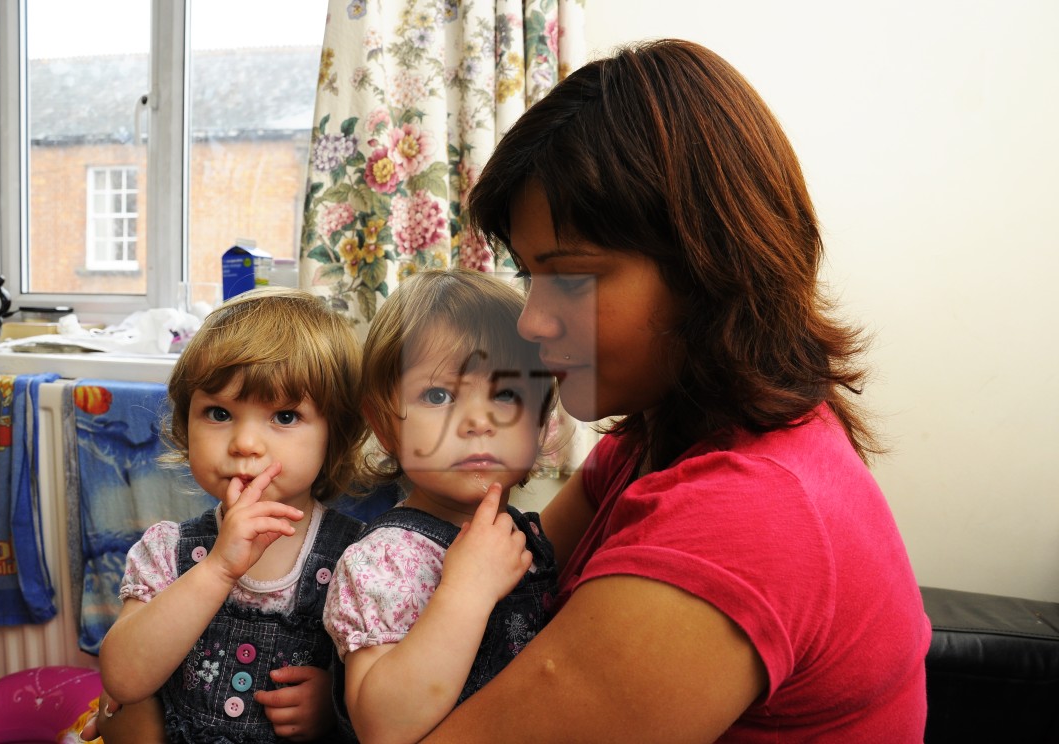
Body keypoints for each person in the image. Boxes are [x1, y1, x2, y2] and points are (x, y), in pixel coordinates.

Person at [412, 38, 932, 742]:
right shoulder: (658, 436)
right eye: (528, 275)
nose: (532, 320)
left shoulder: (747, 517)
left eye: (571, 278)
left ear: (708, 270)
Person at [95, 286, 369, 743]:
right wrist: (218, 568)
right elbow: (122, 679)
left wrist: (334, 705)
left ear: (334, 436)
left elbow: (389, 710)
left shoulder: (361, 559)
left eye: (284, 417)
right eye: (218, 412)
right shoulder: (166, 550)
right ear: (185, 425)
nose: (244, 443)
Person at [323, 268, 559, 744]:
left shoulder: (524, 534)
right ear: (386, 427)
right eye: (438, 395)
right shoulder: (383, 561)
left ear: (539, 424)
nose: (476, 420)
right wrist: (468, 589)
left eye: (507, 394)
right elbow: (383, 726)